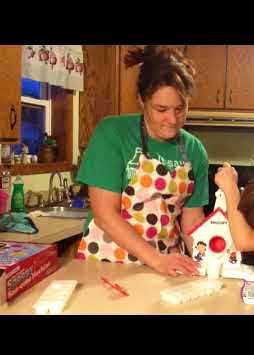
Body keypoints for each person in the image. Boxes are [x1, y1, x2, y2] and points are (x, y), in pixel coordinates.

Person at [75, 45, 209, 277]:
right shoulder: (112, 133)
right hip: (108, 263)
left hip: (167, 267)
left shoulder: (194, 149)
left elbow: (193, 220)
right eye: (161, 109)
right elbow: (105, 214)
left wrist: (207, 264)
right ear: (141, 100)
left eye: (180, 109)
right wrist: (156, 260)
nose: (172, 119)